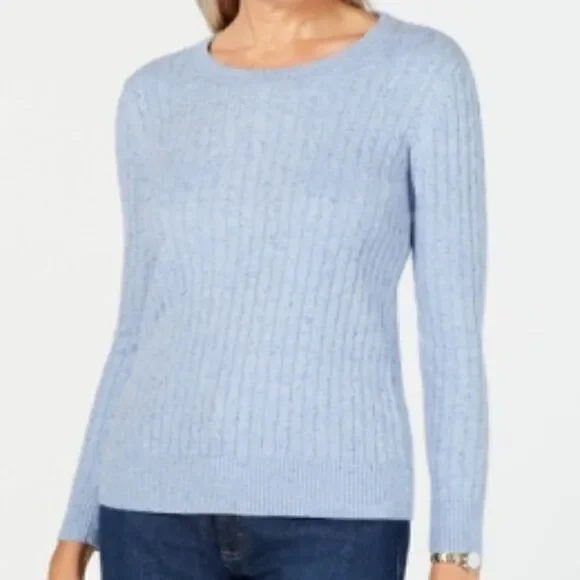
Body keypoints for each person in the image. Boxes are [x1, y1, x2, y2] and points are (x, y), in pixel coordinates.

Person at [49, 0, 488, 578]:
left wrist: (455, 553)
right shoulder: (153, 96)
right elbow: (138, 327)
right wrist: (77, 527)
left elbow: (453, 338)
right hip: (147, 517)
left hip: (338, 525)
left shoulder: (421, 72)